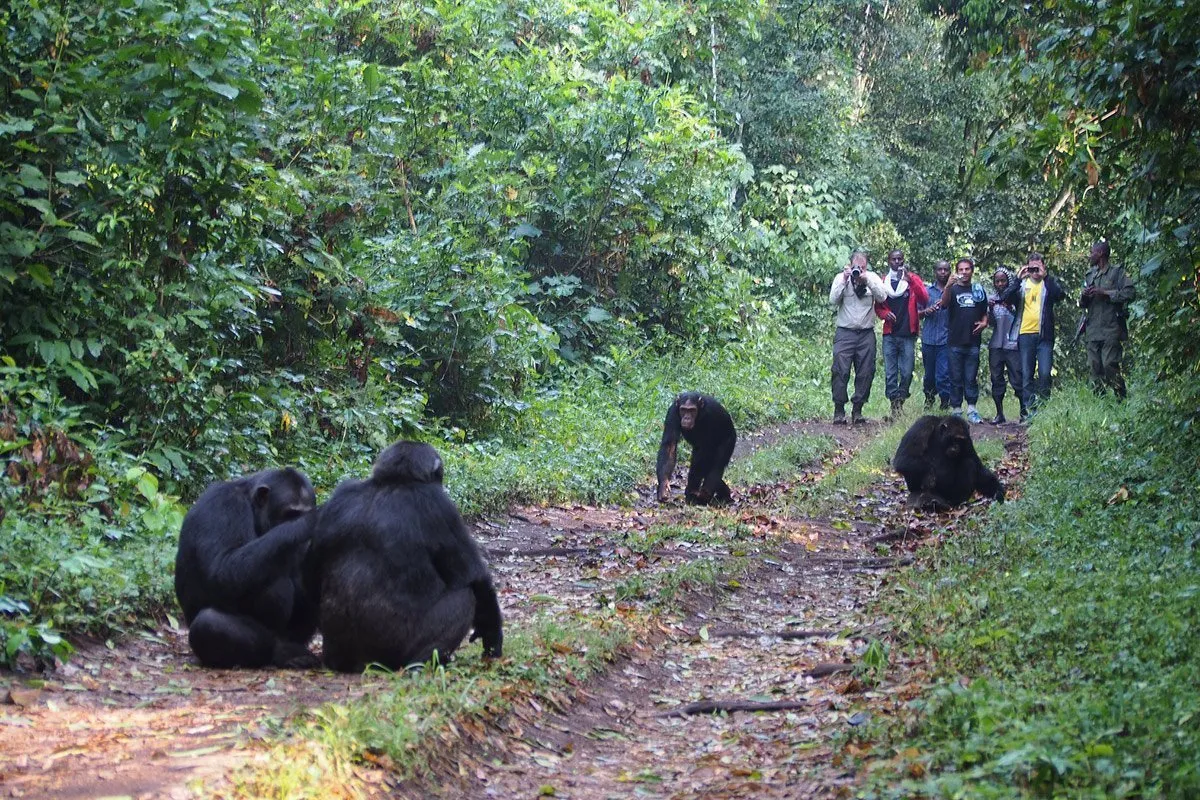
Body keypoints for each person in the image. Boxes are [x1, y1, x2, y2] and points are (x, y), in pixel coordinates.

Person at [829, 249, 886, 425]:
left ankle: (857, 410)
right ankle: (839, 409)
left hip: (866, 333)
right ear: (850, 264)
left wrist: (866, 280)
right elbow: (833, 300)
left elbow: (882, 297)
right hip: (845, 332)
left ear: (866, 266)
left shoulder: (872, 277)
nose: (858, 270)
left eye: (862, 267)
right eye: (856, 267)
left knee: (866, 372)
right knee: (840, 370)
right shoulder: (841, 278)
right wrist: (846, 280)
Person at [1011, 251, 1065, 419]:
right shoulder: (1022, 285)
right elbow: (1007, 297)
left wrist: (1045, 277)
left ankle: (1043, 409)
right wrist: (1017, 279)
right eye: (1031, 267)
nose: (1034, 270)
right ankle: (1029, 411)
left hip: (1045, 336)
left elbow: (1060, 296)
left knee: (1044, 373)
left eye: (1037, 267)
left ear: (1043, 266)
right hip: (1025, 334)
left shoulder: (1048, 285)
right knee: (1026, 374)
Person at [875, 249, 929, 419]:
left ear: (903, 261)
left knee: (906, 372)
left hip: (907, 334)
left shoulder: (911, 279)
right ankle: (894, 405)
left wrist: (911, 280)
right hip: (890, 335)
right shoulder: (883, 281)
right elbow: (878, 305)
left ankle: (901, 400)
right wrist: (885, 315)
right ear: (889, 261)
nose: (897, 262)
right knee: (890, 373)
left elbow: (924, 298)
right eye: (893, 259)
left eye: (900, 259)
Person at [1079, 240, 1135, 398]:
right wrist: (1084, 296)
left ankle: (1120, 397)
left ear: (1101, 253)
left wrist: (1105, 292)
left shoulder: (1117, 273)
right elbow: (1082, 304)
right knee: (1094, 367)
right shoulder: (1090, 275)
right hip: (1092, 328)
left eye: (1092, 252)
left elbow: (1130, 293)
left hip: (1111, 327)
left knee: (1110, 364)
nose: (1090, 256)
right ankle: (1100, 401)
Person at [937, 257, 989, 423]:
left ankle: (972, 409)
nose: (964, 272)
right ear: (957, 272)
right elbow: (943, 305)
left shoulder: (978, 289)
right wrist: (947, 286)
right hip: (954, 341)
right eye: (961, 270)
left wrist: (984, 322)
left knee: (971, 377)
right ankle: (957, 409)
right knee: (955, 377)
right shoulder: (952, 289)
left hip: (973, 341)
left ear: (972, 271)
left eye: (967, 269)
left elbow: (984, 311)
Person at [986, 267, 1026, 424]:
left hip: (1013, 344)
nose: (1000, 283)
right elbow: (991, 323)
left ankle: (1023, 412)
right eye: (997, 281)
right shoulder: (991, 298)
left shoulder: (1016, 296)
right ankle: (999, 414)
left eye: (1003, 280)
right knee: (996, 378)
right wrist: (990, 308)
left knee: (1017, 378)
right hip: (996, 344)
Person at [917, 259, 952, 410]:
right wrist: (926, 311)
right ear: (935, 271)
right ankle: (929, 399)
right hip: (929, 340)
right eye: (940, 269)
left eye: (946, 270)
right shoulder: (926, 291)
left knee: (943, 374)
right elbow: (916, 313)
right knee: (929, 375)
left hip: (946, 340)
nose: (943, 272)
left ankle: (945, 402)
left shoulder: (953, 291)